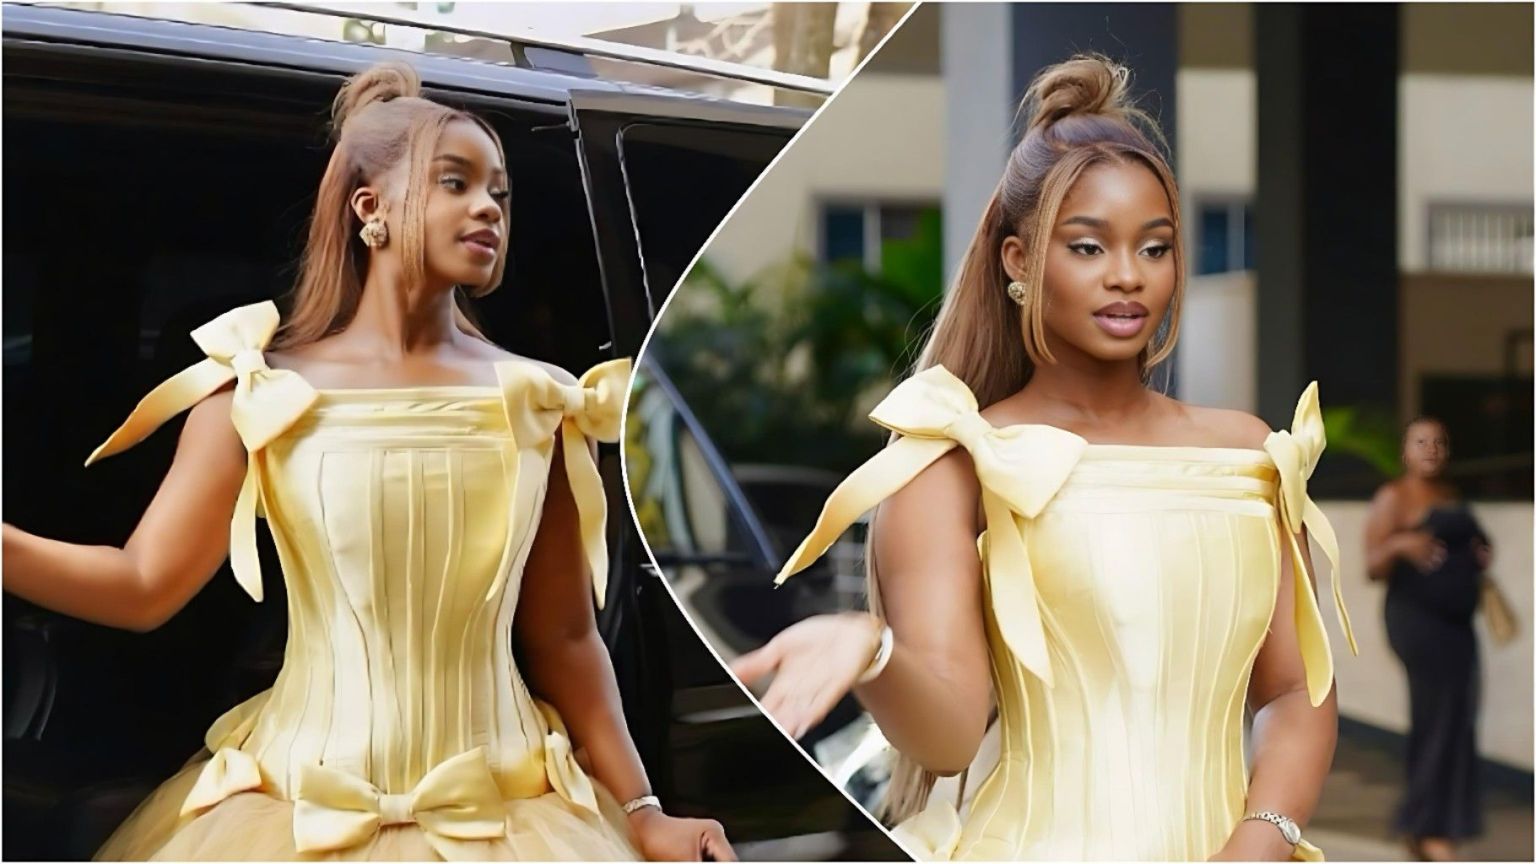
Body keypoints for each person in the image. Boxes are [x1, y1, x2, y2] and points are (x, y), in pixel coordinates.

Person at [2, 62, 732, 862]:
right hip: (288, 813)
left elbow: (564, 634)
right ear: (369, 208)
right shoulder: (256, 390)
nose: (488, 206)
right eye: (456, 183)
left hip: (513, 822)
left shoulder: (543, 401)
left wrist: (642, 810)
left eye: (500, 191)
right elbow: (142, 586)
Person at [730, 55, 1356, 861]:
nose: (1127, 276)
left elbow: (1294, 691)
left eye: (1155, 248)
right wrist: (871, 648)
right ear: (1020, 262)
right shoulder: (952, 465)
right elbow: (951, 734)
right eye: (1089, 248)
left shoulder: (1246, 455)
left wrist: (1260, 840)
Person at [1365, 417, 1489, 861]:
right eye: (1421, 441)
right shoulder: (1393, 496)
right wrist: (1402, 545)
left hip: (1459, 625)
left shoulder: (1450, 496)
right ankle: (1425, 826)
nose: (1431, 449)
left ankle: (1441, 826)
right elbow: (1372, 564)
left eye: (1439, 441)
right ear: (1405, 450)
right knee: (1436, 720)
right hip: (1417, 622)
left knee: (1460, 719)